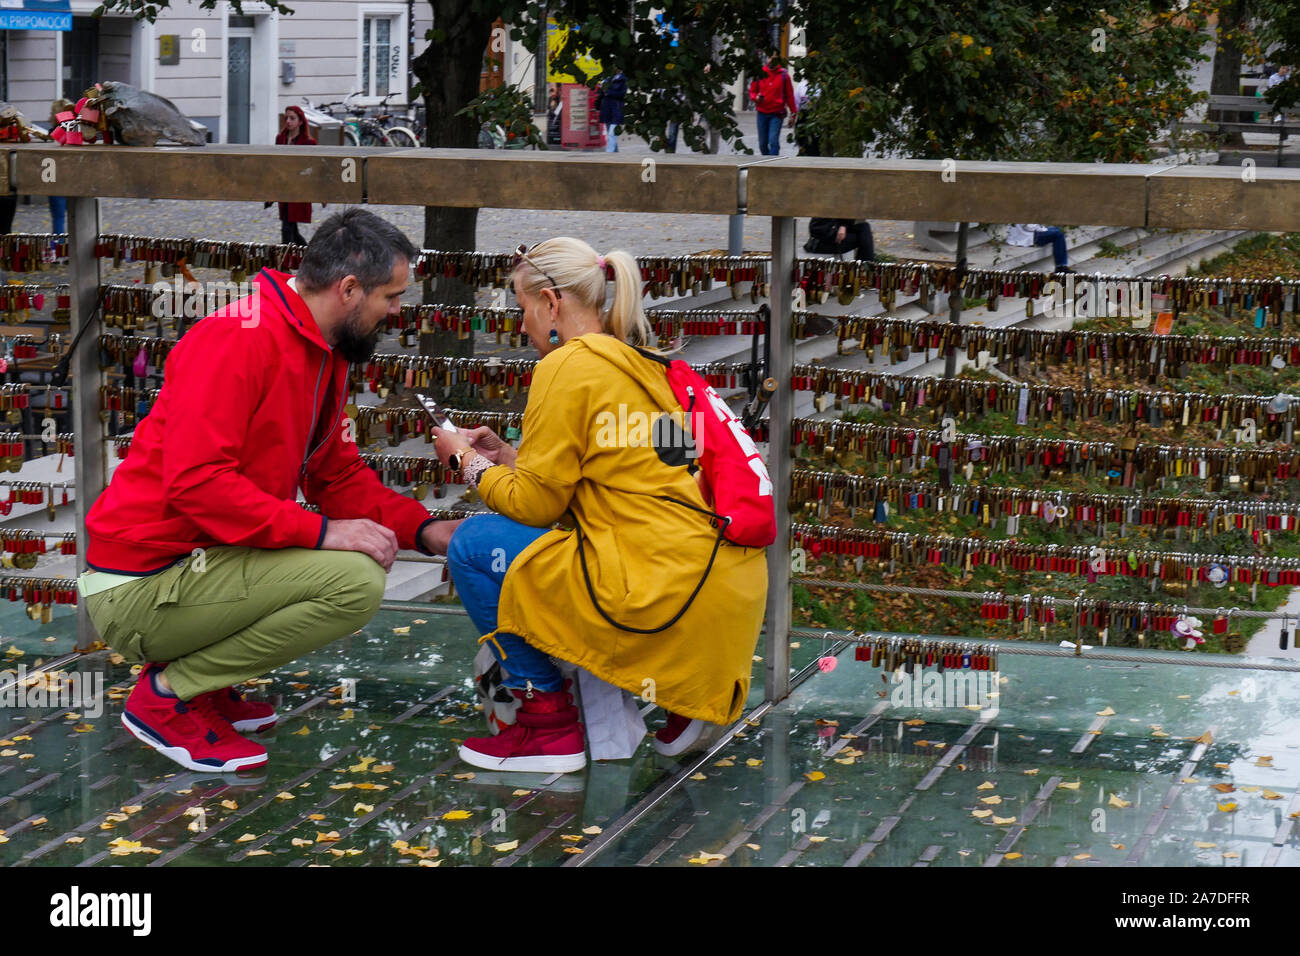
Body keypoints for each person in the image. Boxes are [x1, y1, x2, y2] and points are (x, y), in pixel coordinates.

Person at [81, 209, 462, 773]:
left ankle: (200, 684)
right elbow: (197, 484)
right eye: (392, 296)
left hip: (194, 560)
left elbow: (335, 475)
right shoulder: (236, 340)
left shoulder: (318, 346)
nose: (399, 311)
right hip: (141, 585)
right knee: (354, 582)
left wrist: (426, 531)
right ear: (349, 289)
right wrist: (323, 531)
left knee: (341, 555)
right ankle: (167, 696)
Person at [434, 237, 767, 773]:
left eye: (523, 310)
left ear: (551, 302)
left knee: (471, 545)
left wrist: (464, 462)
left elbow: (537, 508)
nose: (521, 327)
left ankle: (547, 725)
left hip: (654, 587)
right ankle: (674, 695)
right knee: (540, 548)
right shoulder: (646, 361)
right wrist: (511, 459)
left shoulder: (566, 365)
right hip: (714, 582)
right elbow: (646, 478)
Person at [266, 106, 317, 244]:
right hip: (283, 188)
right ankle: (306, 255)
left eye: (292, 118)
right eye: (286, 118)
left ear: (300, 121)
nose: (288, 121)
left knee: (288, 227)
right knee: (290, 228)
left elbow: (313, 168)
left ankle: (285, 261)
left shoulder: (308, 142)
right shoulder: (281, 138)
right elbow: (276, 164)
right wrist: (271, 192)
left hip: (298, 190)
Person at [748, 54, 798, 156]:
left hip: (776, 113)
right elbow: (752, 91)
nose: (772, 60)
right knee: (762, 144)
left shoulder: (784, 75)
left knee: (773, 141)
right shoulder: (759, 74)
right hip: (762, 113)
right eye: (770, 57)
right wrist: (756, 97)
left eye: (775, 58)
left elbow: (790, 96)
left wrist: (793, 114)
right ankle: (766, 161)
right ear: (766, 59)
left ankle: (772, 164)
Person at [1005, 223, 1074, 273]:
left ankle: (1061, 265)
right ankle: (1060, 267)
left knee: (1058, 229)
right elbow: (1029, 227)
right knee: (1059, 234)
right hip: (1029, 237)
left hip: (1020, 235)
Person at [805, 218, 874, 261]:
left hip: (831, 235)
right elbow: (817, 230)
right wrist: (842, 226)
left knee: (864, 227)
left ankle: (865, 267)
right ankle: (866, 270)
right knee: (864, 238)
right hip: (820, 244)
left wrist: (843, 226)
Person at [598, 68, 626, 153]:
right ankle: (615, 153)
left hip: (617, 108)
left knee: (611, 133)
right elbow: (601, 93)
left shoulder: (623, 79)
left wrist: (608, 92)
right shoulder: (608, 78)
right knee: (610, 133)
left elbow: (622, 93)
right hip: (606, 108)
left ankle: (609, 153)